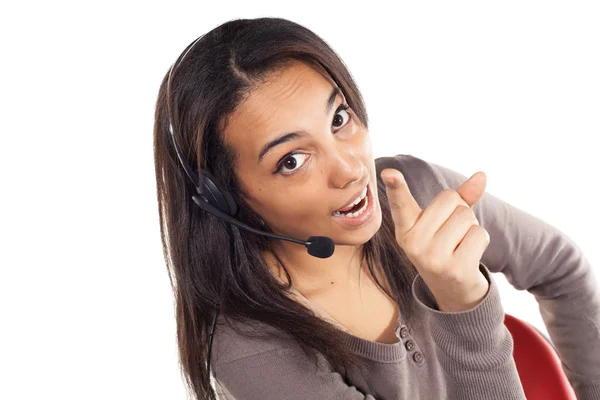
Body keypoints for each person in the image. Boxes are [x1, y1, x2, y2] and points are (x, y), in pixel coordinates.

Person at [152, 17, 600, 400]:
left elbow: (560, 269)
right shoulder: (252, 355)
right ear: (226, 199)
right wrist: (463, 305)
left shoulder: (415, 189)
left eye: (339, 119)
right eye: (291, 161)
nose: (349, 170)